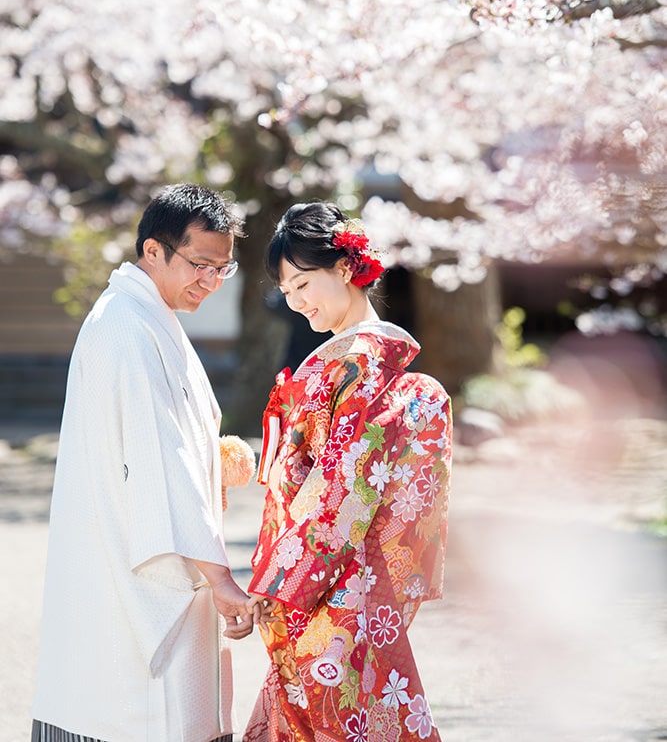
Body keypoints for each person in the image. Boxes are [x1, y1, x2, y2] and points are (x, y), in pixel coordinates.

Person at [31, 183, 259, 742]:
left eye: (221, 269)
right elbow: (163, 458)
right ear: (153, 251)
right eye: (200, 264)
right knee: (140, 708)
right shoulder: (129, 327)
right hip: (137, 558)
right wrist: (220, 576)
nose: (209, 281)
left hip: (128, 544)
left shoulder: (142, 314)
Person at [243, 201, 453, 742]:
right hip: (346, 572)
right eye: (287, 292)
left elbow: (345, 488)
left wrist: (279, 581)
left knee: (332, 712)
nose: (296, 301)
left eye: (303, 283)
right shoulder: (352, 361)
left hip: (331, 576)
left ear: (344, 268)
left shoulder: (360, 364)